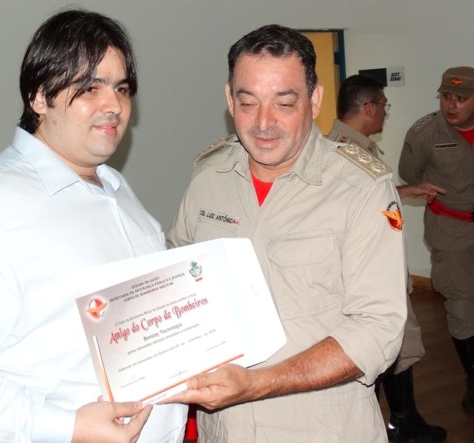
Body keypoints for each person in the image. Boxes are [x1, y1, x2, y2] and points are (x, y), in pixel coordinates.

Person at [0, 9, 187, 443]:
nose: (113, 105)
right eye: (90, 87)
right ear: (39, 96)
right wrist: (65, 428)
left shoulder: (120, 196)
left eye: (121, 88)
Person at [165, 24, 408, 442]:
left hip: (322, 428)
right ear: (229, 99)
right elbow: (177, 283)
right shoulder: (209, 178)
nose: (264, 122)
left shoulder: (361, 188)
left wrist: (257, 384)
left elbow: (378, 328)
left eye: (284, 103)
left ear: (314, 100)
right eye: (248, 102)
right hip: (223, 429)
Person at [328, 74, 447, 443]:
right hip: (370, 272)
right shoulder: (345, 151)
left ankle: (402, 419)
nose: (385, 112)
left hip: (377, 266)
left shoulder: (354, 148)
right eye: (383, 105)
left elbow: (366, 197)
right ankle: (383, 426)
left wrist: (404, 191)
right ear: (368, 108)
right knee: (379, 349)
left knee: (397, 345)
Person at [399, 66, 474, 414]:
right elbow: (410, 174)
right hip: (451, 230)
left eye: (461, 98)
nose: (451, 105)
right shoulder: (426, 132)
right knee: (462, 306)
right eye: (446, 96)